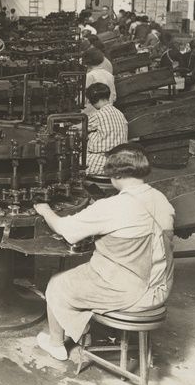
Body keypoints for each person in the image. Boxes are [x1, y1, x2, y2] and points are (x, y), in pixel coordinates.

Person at [33, 144, 175, 361]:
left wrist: (45, 210)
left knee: (57, 283)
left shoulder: (114, 206)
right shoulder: (160, 198)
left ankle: (56, 345)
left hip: (131, 292)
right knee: (85, 274)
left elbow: (65, 230)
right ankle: (86, 328)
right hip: (161, 287)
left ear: (115, 174)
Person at [83, 83, 128, 176]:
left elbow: (80, 128)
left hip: (104, 161)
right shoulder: (119, 113)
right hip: (121, 160)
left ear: (93, 100)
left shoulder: (98, 115)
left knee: (72, 162)